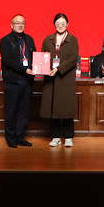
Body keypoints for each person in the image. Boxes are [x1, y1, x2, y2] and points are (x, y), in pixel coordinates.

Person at [40, 13, 80, 147]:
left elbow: (73, 59)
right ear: (54, 25)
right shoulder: (48, 39)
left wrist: (58, 68)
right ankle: (55, 136)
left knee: (66, 109)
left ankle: (68, 137)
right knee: (53, 109)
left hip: (65, 79)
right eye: (58, 24)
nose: (60, 26)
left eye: (63, 23)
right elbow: (43, 56)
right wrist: (42, 68)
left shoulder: (72, 40)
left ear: (68, 24)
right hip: (51, 79)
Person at [0, 14, 36, 148]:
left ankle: (20, 137)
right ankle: (10, 138)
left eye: (22, 23)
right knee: (11, 111)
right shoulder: (5, 40)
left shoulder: (29, 39)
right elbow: (8, 61)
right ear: (12, 25)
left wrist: (38, 67)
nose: (20, 25)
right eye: (17, 23)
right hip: (12, 82)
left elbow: (34, 57)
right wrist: (24, 69)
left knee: (23, 112)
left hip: (27, 81)